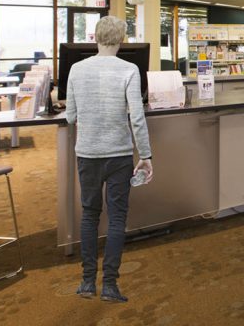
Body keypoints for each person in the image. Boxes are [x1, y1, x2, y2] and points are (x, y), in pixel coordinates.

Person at [65, 16, 153, 303]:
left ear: (95, 38)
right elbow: (136, 117)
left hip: (87, 154)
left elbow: (70, 116)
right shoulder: (130, 69)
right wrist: (146, 155)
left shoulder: (76, 69)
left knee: (89, 215)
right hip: (119, 155)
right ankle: (110, 286)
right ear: (122, 40)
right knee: (117, 218)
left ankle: (87, 282)